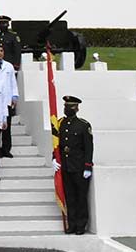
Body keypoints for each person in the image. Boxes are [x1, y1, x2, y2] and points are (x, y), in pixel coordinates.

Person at [53, 96, 94, 235]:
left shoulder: (83, 125)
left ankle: (81, 225)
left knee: (81, 197)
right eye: (65, 107)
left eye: (69, 107)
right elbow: (57, 144)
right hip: (66, 166)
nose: (66, 109)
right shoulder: (61, 123)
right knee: (70, 197)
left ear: (76, 108)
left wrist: (87, 166)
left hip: (79, 166)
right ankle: (72, 224)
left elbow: (88, 147)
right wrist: (55, 158)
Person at [0, 45, 19, 158]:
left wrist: (15, 96)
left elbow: (13, 82)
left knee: (7, 127)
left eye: (1, 51)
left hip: (7, 100)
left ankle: (6, 149)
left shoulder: (9, 66)